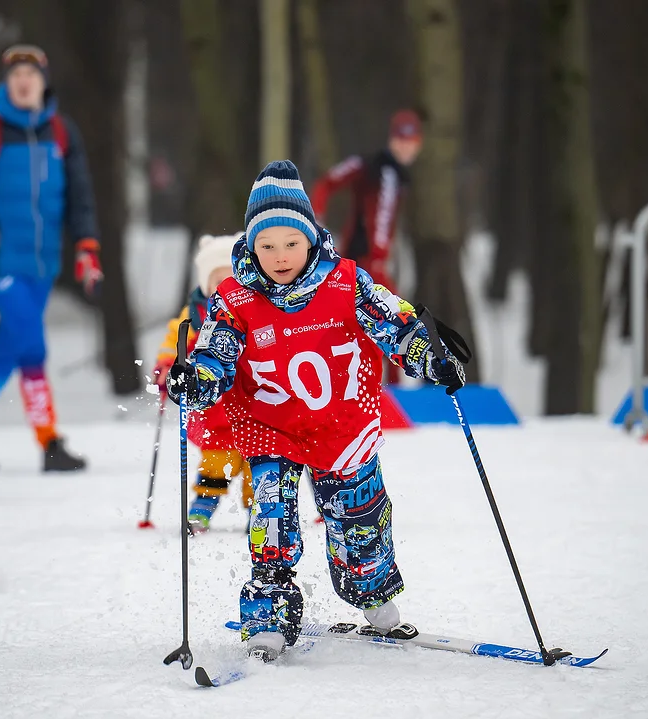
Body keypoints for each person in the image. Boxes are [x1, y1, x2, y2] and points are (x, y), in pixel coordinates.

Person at [168, 160, 466, 662]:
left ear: (310, 238)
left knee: (359, 520)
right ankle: (268, 616)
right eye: (267, 246)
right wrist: (194, 381)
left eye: (290, 243)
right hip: (270, 429)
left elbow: (396, 324)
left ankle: (371, 592)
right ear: (251, 246)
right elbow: (214, 355)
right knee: (272, 525)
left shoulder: (347, 282)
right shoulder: (235, 300)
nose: (280, 256)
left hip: (340, 425)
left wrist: (429, 356)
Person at [0, 44, 103, 472]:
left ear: (44, 82)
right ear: (6, 84)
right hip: (1, 260)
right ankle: (49, 441)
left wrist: (87, 247)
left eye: (31, 74)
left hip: (44, 264)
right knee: (31, 341)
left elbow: (80, 196)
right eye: (16, 76)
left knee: (11, 345)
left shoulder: (62, 132)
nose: (24, 82)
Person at [153, 234, 253, 533]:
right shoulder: (192, 316)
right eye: (215, 281)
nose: (221, 289)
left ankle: (260, 512)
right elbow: (175, 341)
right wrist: (168, 365)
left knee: (255, 462)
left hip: (250, 404)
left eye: (229, 281)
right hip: (213, 407)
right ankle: (203, 506)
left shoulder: (249, 309)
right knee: (216, 459)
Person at [310, 109, 423, 292]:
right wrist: (316, 217)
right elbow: (326, 183)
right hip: (362, 261)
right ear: (391, 139)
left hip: (369, 263)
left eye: (411, 142)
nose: (405, 148)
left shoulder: (399, 176)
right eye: (400, 140)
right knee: (395, 314)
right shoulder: (374, 167)